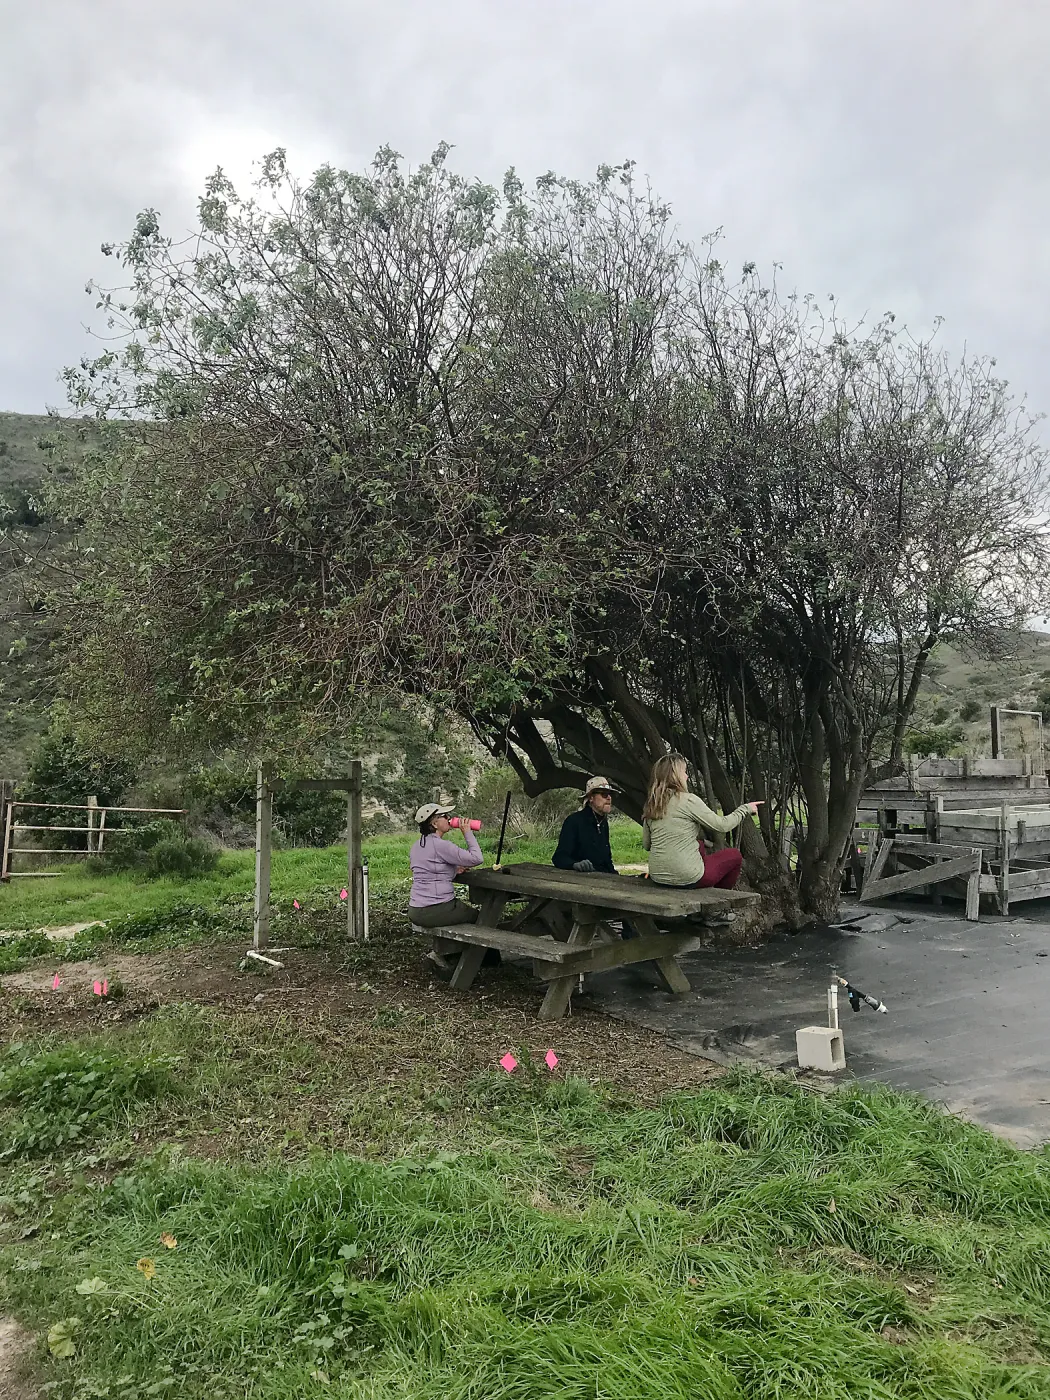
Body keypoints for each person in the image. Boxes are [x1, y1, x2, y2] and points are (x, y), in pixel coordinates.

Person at [642, 753, 760, 898]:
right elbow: (722, 826)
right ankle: (717, 903)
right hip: (687, 878)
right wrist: (745, 809)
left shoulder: (652, 805)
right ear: (675, 776)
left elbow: (647, 845)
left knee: (700, 845)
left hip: (658, 877)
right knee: (734, 855)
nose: (686, 776)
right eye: (684, 772)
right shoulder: (688, 801)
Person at [408, 802, 484, 927]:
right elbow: (477, 858)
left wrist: (453, 869)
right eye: (444, 816)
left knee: (464, 910)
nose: (449, 818)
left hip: (415, 910)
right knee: (480, 917)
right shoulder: (442, 846)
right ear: (434, 824)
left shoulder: (416, 846)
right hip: (435, 908)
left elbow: (429, 870)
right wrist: (467, 832)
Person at [553, 775, 618, 874]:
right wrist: (575, 864)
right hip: (580, 879)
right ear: (591, 798)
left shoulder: (603, 823)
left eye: (610, 794)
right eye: (604, 794)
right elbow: (559, 857)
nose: (609, 798)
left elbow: (606, 859)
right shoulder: (574, 821)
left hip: (602, 878)